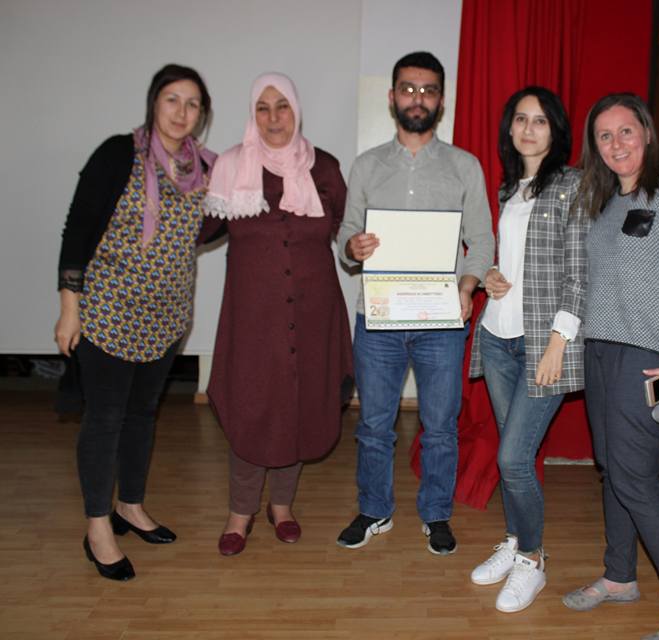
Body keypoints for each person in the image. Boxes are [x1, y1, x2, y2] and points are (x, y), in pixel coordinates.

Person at [561, 93, 659, 640]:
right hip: (600, 348)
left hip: (649, 355)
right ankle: (620, 576)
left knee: (635, 476)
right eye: (604, 136)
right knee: (612, 467)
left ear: (647, 133)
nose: (616, 144)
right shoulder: (605, 202)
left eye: (625, 131)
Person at [55, 64, 215, 581]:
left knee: (143, 414)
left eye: (192, 104)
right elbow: (77, 229)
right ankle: (98, 526)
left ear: (202, 115)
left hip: (167, 317)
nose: (181, 112)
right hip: (107, 313)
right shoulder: (118, 153)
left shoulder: (203, 168)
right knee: (104, 419)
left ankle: (132, 505)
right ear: (153, 103)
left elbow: (204, 228)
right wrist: (69, 307)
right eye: (172, 100)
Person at [335, 51, 494, 555]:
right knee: (375, 422)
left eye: (427, 90)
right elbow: (345, 232)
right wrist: (352, 248)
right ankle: (375, 509)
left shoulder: (464, 166)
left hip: (441, 317)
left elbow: (482, 241)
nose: (417, 98)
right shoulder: (366, 165)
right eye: (408, 89)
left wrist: (468, 288)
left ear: (441, 100)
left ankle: (436, 514)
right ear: (392, 97)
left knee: (441, 426)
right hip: (378, 315)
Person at [202, 73, 352, 556]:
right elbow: (200, 229)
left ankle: (282, 506)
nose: (272, 118)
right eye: (262, 108)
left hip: (314, 312)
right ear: (252, 113)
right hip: (254, 318)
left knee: (301, 405)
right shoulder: (228, 167)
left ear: (296, 110)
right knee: (253, 407)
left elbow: (349, 232)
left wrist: (365, 244)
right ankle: (239, 512)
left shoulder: (323, 167)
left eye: (281, 106)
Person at [466, 87, 588, 612]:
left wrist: (560, 341)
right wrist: (491, 276)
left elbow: (580, 274)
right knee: (513, 457)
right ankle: (516, 543)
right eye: (521, 119)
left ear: (556, 131)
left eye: (540, 121)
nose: (529, 128)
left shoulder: (574, 186)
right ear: (510, 128)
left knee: (514, 457)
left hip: (543, 342)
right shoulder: (508, 190)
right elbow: (508, 259)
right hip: (497, 337)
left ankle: (533, 561)